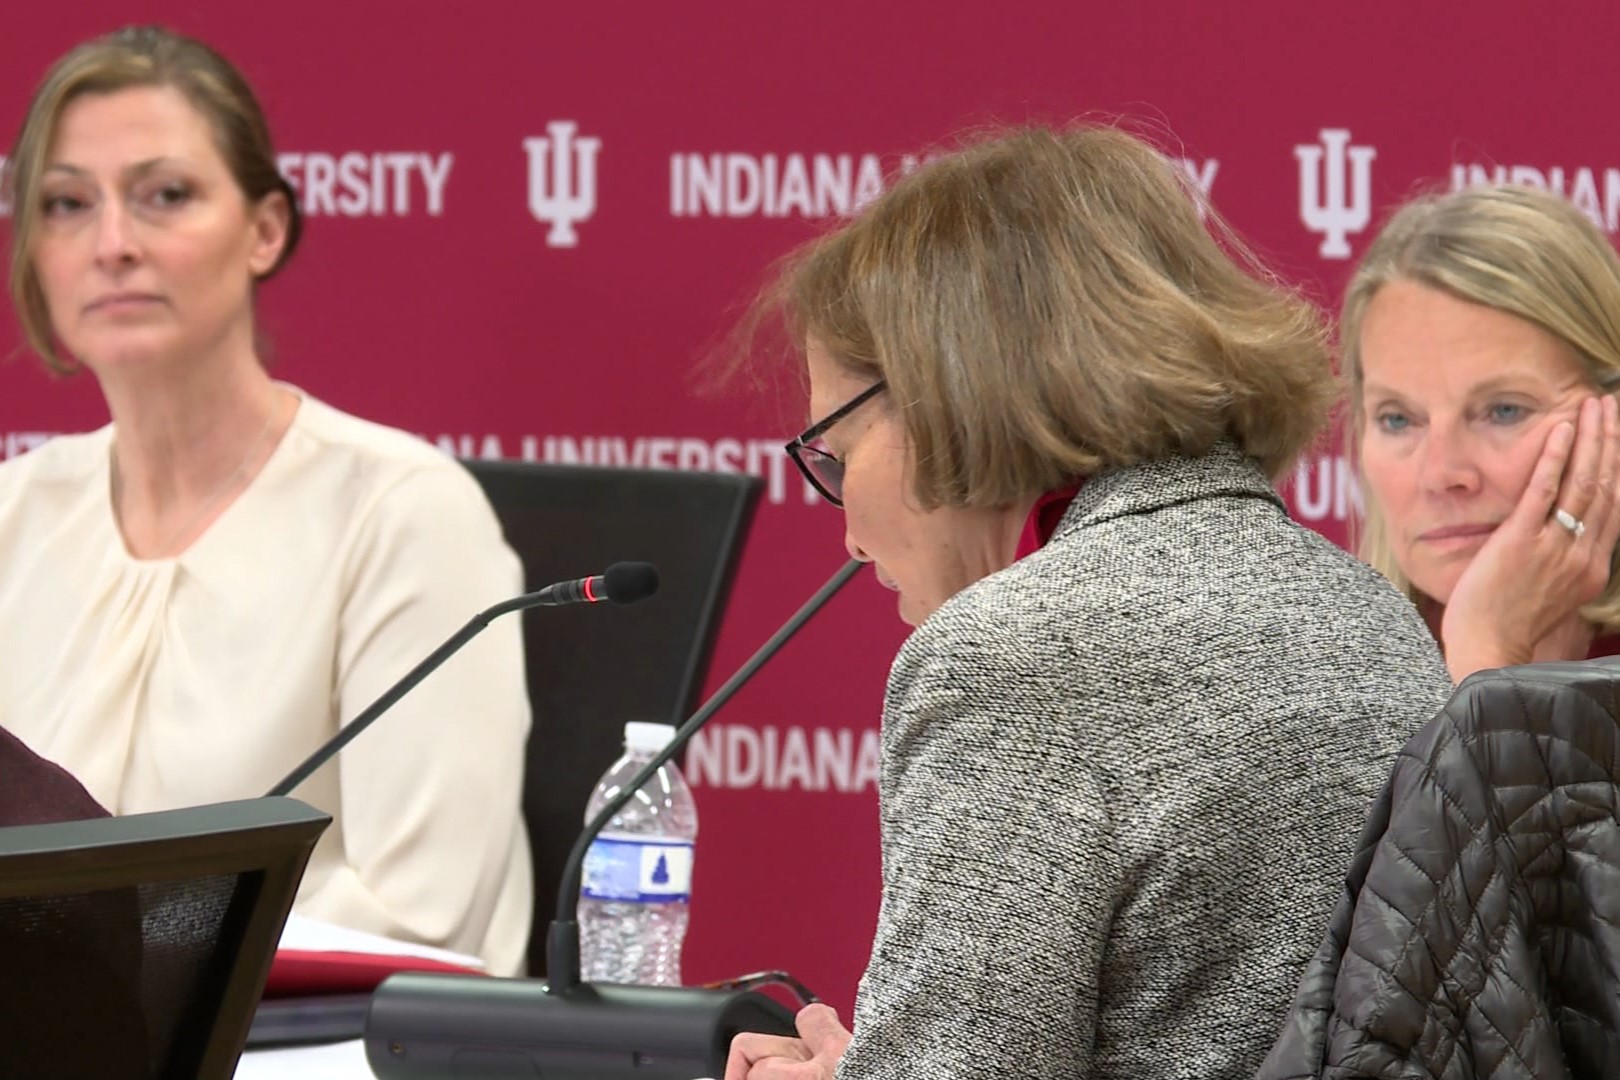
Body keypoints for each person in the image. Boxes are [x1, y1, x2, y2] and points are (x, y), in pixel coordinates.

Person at [724, 125, 1452, 1080]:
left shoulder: (1008, 658)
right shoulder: (1366, 605)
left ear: (946, 395)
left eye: (836, 454)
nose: (848, 533)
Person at [0, 26, 533, 974]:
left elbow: (422, 922)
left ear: (265, 229)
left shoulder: (403, 513)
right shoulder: (14, 513)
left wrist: (131, 974)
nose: (113, 243)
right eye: (67, 204)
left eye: (165, 195)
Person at [1343, 184, 1620, 683]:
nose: (1444, 474)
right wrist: (1486, 644)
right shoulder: (1322, 680)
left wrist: (1487, 653)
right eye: (1398, 419)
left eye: (1504, 410)